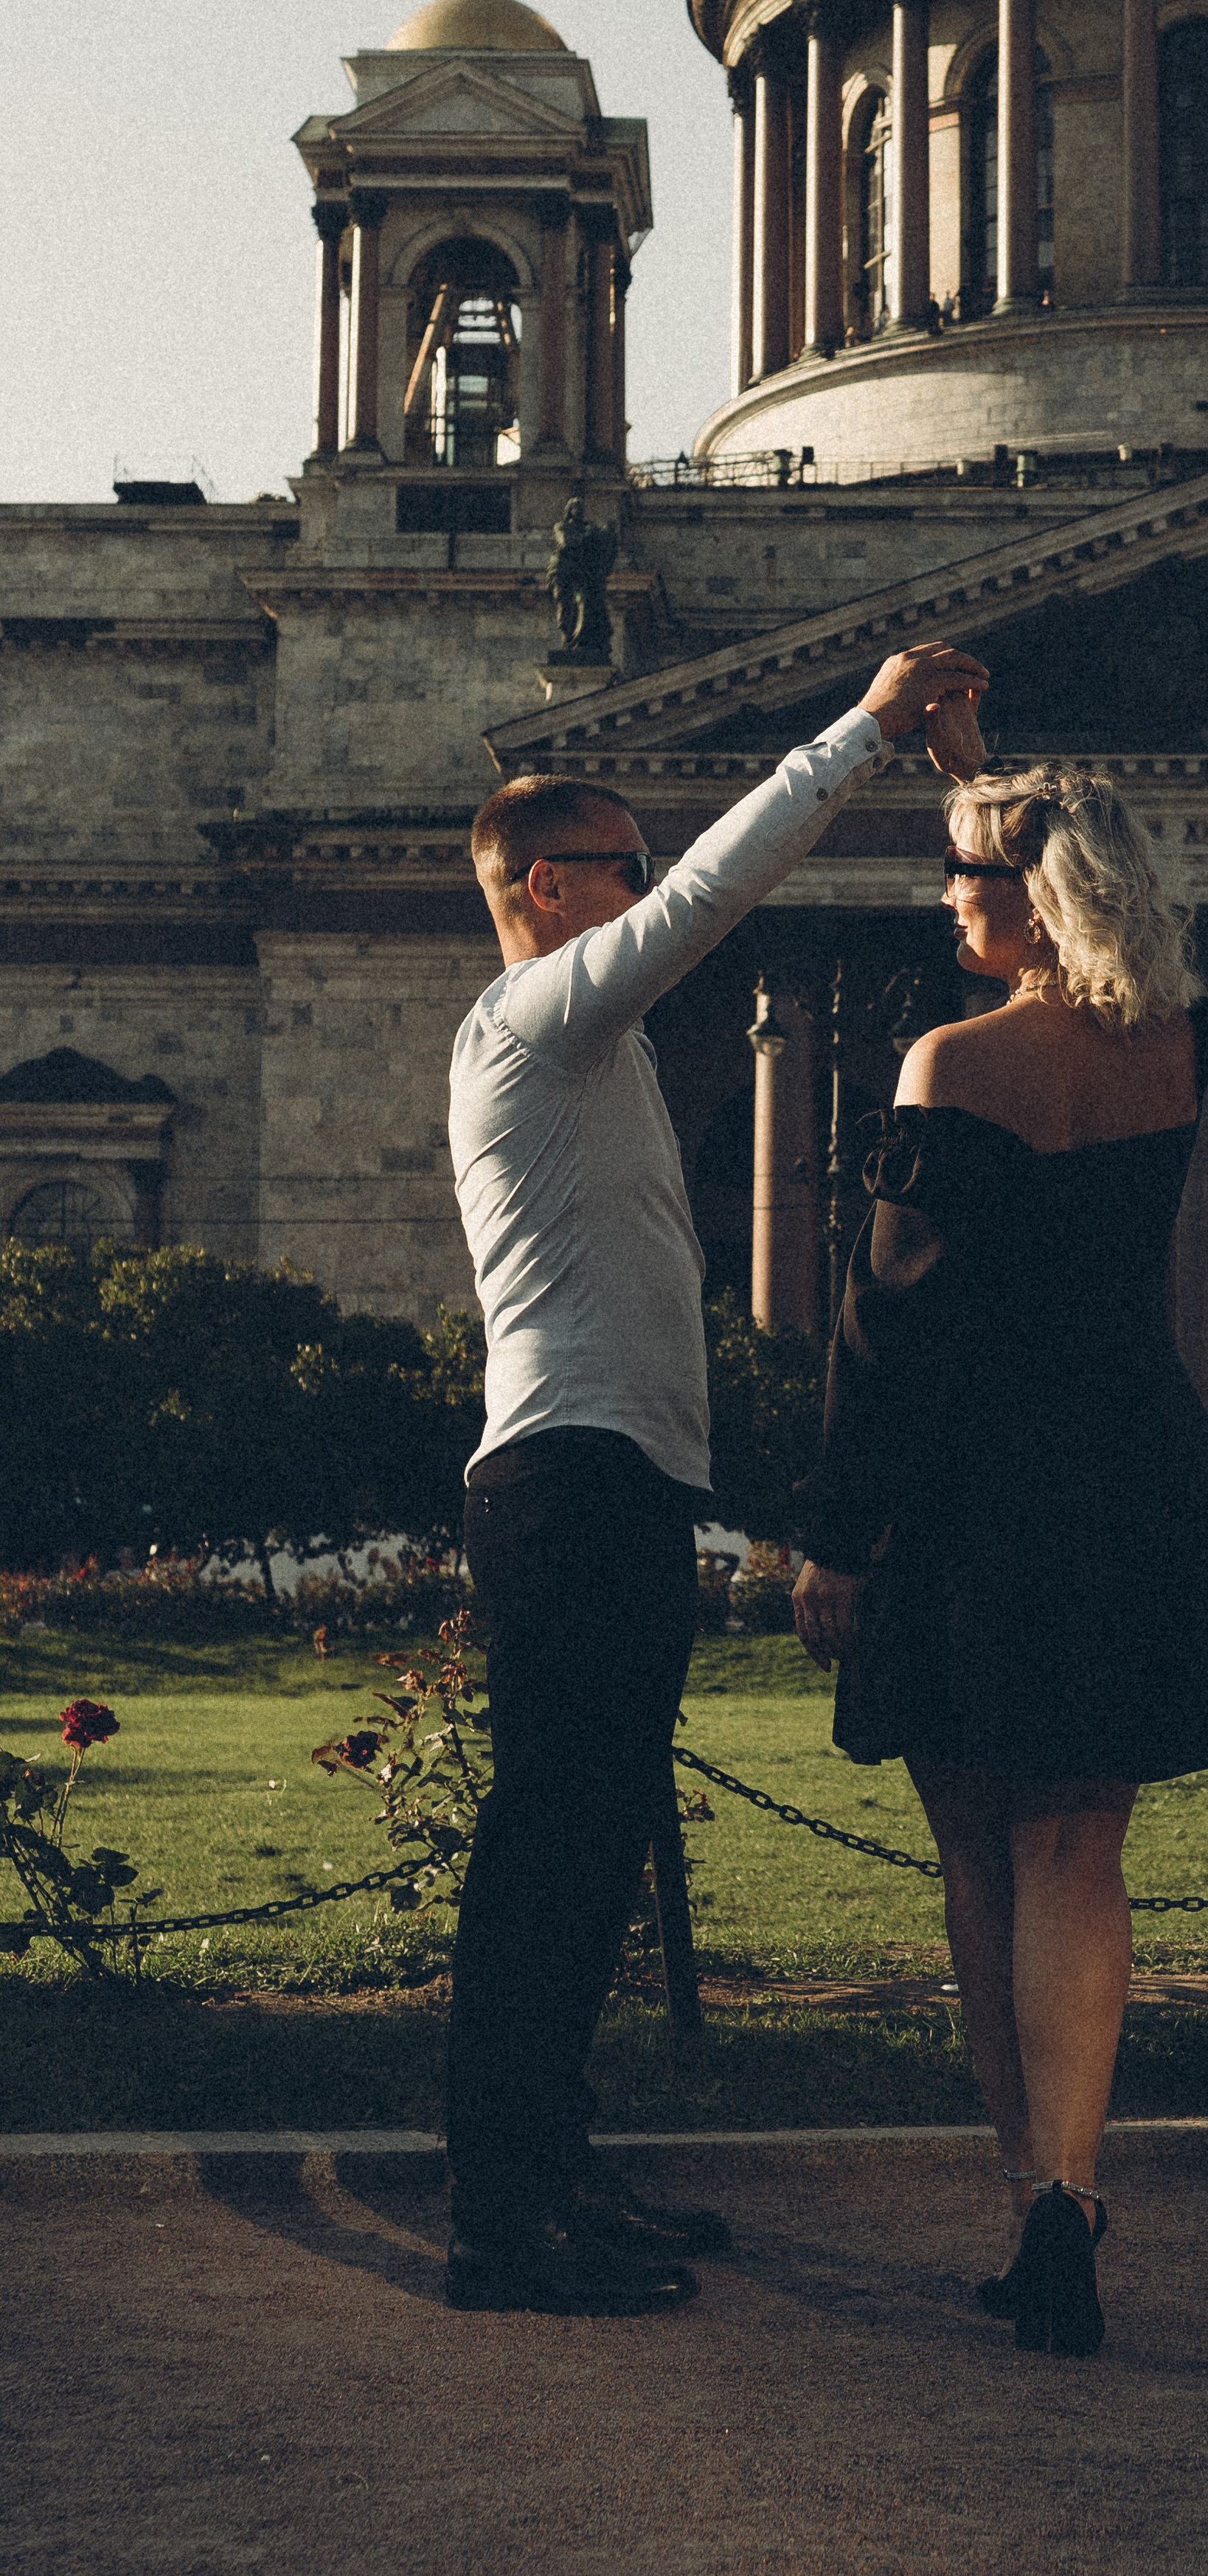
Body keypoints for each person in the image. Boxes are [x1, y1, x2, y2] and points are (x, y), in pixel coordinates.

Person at [445, 639, 987, 2317]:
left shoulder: (574, 1054)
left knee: (592, 1850)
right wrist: (863, 734)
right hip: (569, 1478)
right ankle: (500, 2220)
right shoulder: (537, 1016)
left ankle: (559, 2172)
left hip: (614, 1477)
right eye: (612, 867)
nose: (637, 892)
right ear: (546, 888)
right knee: (550, 1850)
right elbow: (705, 899)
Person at [792, 765, 1208, 2355]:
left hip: (971, 1493)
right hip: (1134, 1466)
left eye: (967, 877)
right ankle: (1071, 2198)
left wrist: (832, 1540)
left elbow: (890, 1333)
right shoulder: (1174, 1048)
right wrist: (982, 763)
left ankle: (1024, 2191)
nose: (947, 901)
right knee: (1078, 1854)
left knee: (973, 1851)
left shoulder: (950, 1061)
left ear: (1033, 900)